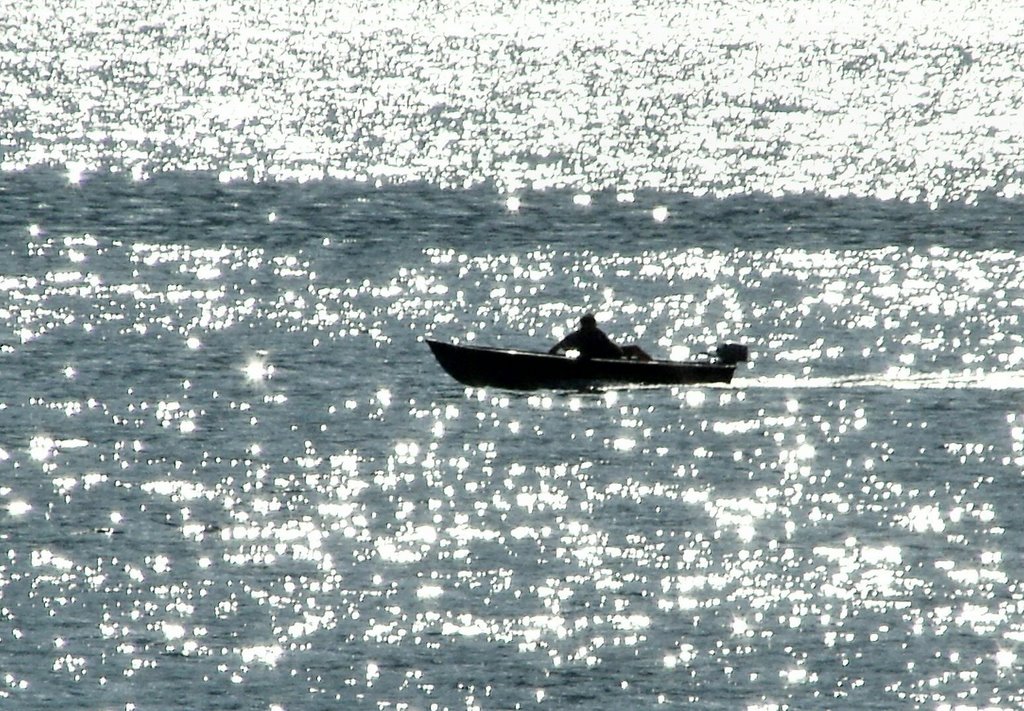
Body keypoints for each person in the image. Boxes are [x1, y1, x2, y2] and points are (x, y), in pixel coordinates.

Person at [548, 313, 652, 361]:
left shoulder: (598, 334)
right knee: (633, 350)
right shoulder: (577, 336)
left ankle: (651, 365)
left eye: (593, 324)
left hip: (609, 356)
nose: (593, 326)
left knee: (635, 349)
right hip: (596, 359)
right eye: (590, 324)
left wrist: (621, 355)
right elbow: (557, 347)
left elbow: (614, 348)